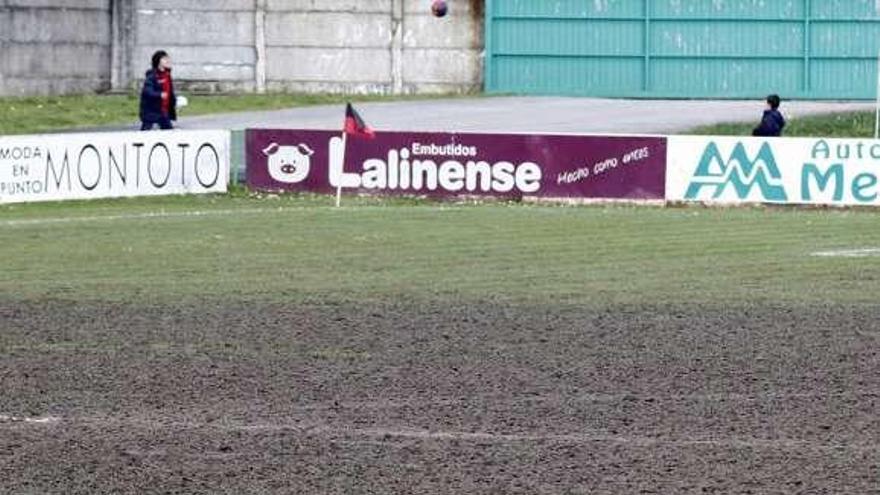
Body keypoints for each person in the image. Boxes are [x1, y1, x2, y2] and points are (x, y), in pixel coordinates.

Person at [139, 50, 177, 130]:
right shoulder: (152, 76)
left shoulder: (167, 75)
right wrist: (160, 94)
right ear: (158, 61)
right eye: (164, 59)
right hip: (151, 111)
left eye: (168, 58)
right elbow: (147, 91)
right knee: (145, 132)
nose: (167, 61)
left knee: (169, 132)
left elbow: (170, 91)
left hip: (164, 111)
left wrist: (174, 101)